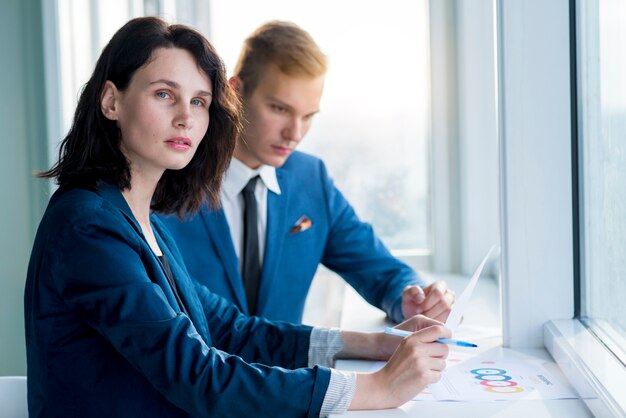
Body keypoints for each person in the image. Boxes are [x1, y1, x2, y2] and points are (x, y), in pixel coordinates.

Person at [24, 16, 451, 417]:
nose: (185, 117)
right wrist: (376, 389)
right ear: (111, 101)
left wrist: (375, 344)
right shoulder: (89, 226)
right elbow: (197, 374)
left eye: (199, 101)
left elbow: (231, 329)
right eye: (163, 95)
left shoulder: (139, 219)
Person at [160, 21, 456, 324]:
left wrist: (415, 296)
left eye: (308, 116)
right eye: (280, 109)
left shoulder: (310, 179)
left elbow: (381, 270)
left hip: (289, 371)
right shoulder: (166, 180)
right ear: (234, 93)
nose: (295, 133)